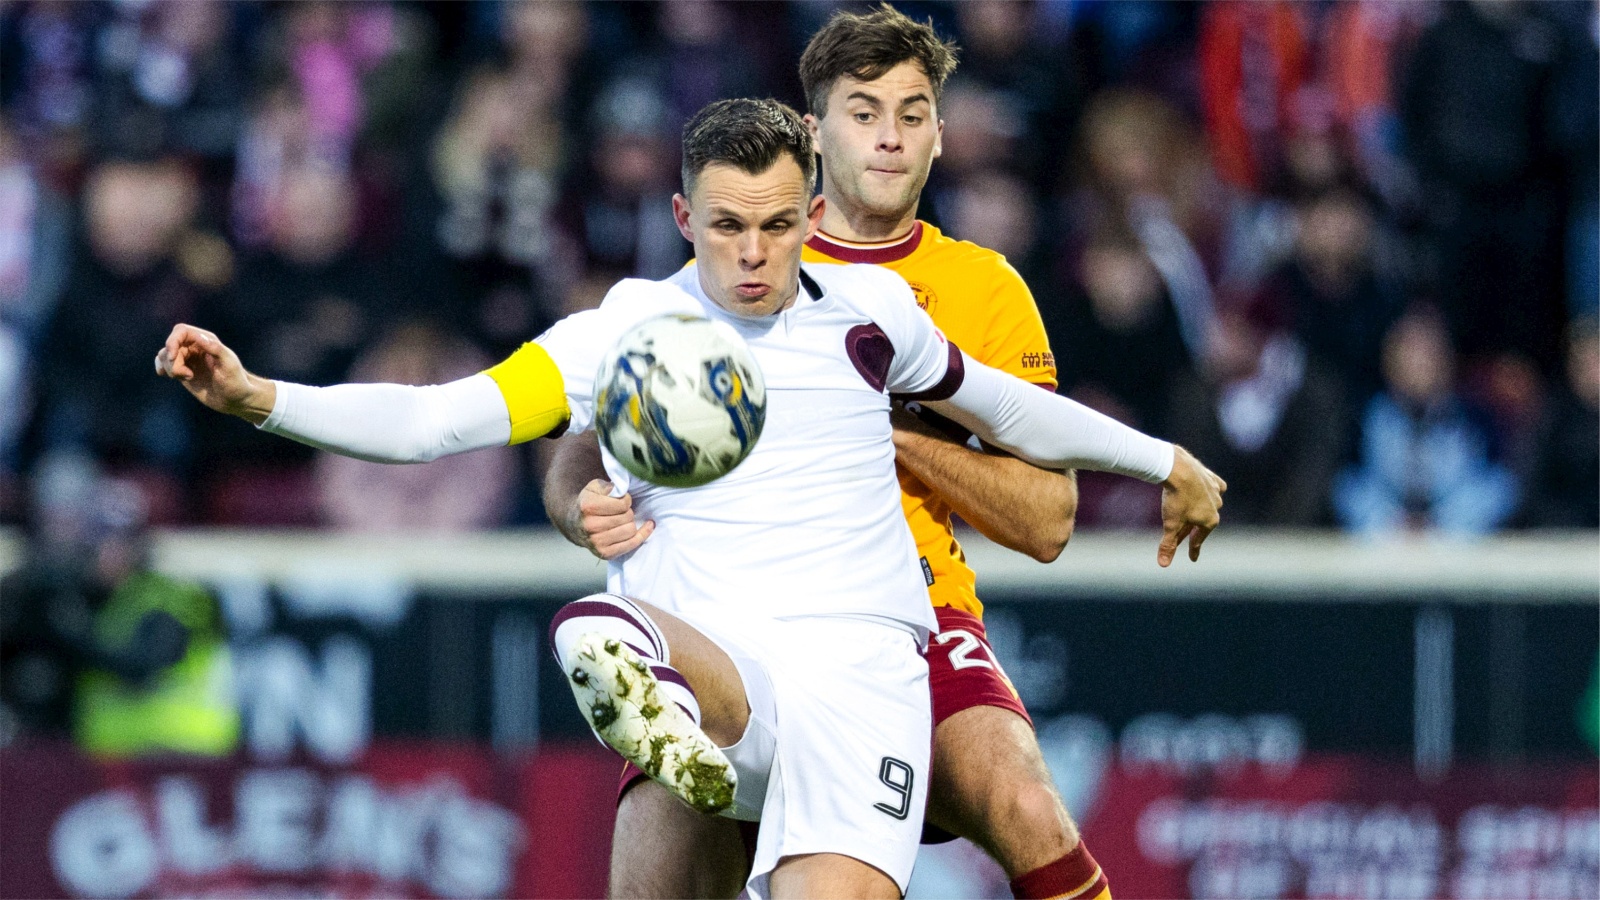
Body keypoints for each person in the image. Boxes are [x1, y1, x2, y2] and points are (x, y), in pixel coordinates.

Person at [157, 98, 1224, 900]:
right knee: (617, 630)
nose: (752, 253)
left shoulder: (871, 316)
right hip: (723, 674)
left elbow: (1014, 414)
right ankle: (642, 674)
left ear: (812, 209)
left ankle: (648, 684)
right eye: (724, 226)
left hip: (862, 686)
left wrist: (1161, 462)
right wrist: (259, 398)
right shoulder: (619, 333)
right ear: (681, 214)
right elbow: (435, 420)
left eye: (773, 224)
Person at [543, 8, 1207, 900]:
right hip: (726, 622)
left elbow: (1048, 522)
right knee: (652, 876)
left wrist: (874, 423)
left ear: (941, 135)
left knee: (1028, 810)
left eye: (913, 112)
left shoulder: (983, 288)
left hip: (913, 622)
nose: (890, 139)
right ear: (815, 134)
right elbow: (579, 450)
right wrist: (581, 505)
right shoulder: (745, 250)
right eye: (864, 113)